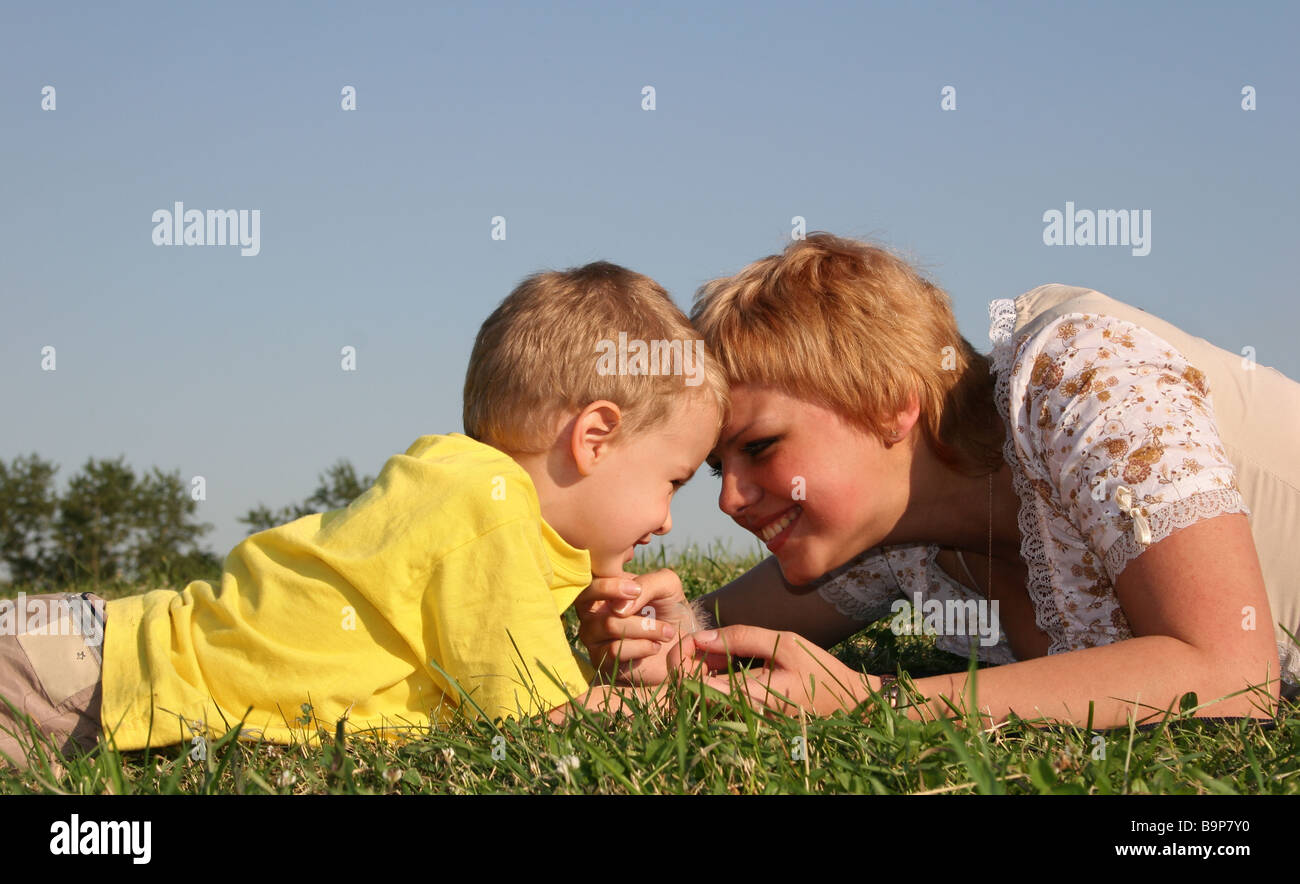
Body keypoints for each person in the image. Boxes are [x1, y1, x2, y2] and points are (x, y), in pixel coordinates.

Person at [0, 261, 726, 768]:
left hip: (88, 655)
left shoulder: (474, 500)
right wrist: (715, 698)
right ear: (594, 437)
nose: (666, 521)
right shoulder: (490, 504)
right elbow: (542, 722)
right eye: (674, 480)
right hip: (82, 677)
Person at [577, 233, 1299, 729]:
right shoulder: (898, 537)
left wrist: (879, 703)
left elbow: (1234, 671)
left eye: (760, 447)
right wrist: (667, 635)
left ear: (892, 403)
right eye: (715, 467)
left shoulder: (1081, 380)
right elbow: (719, 632)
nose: (730, 498)